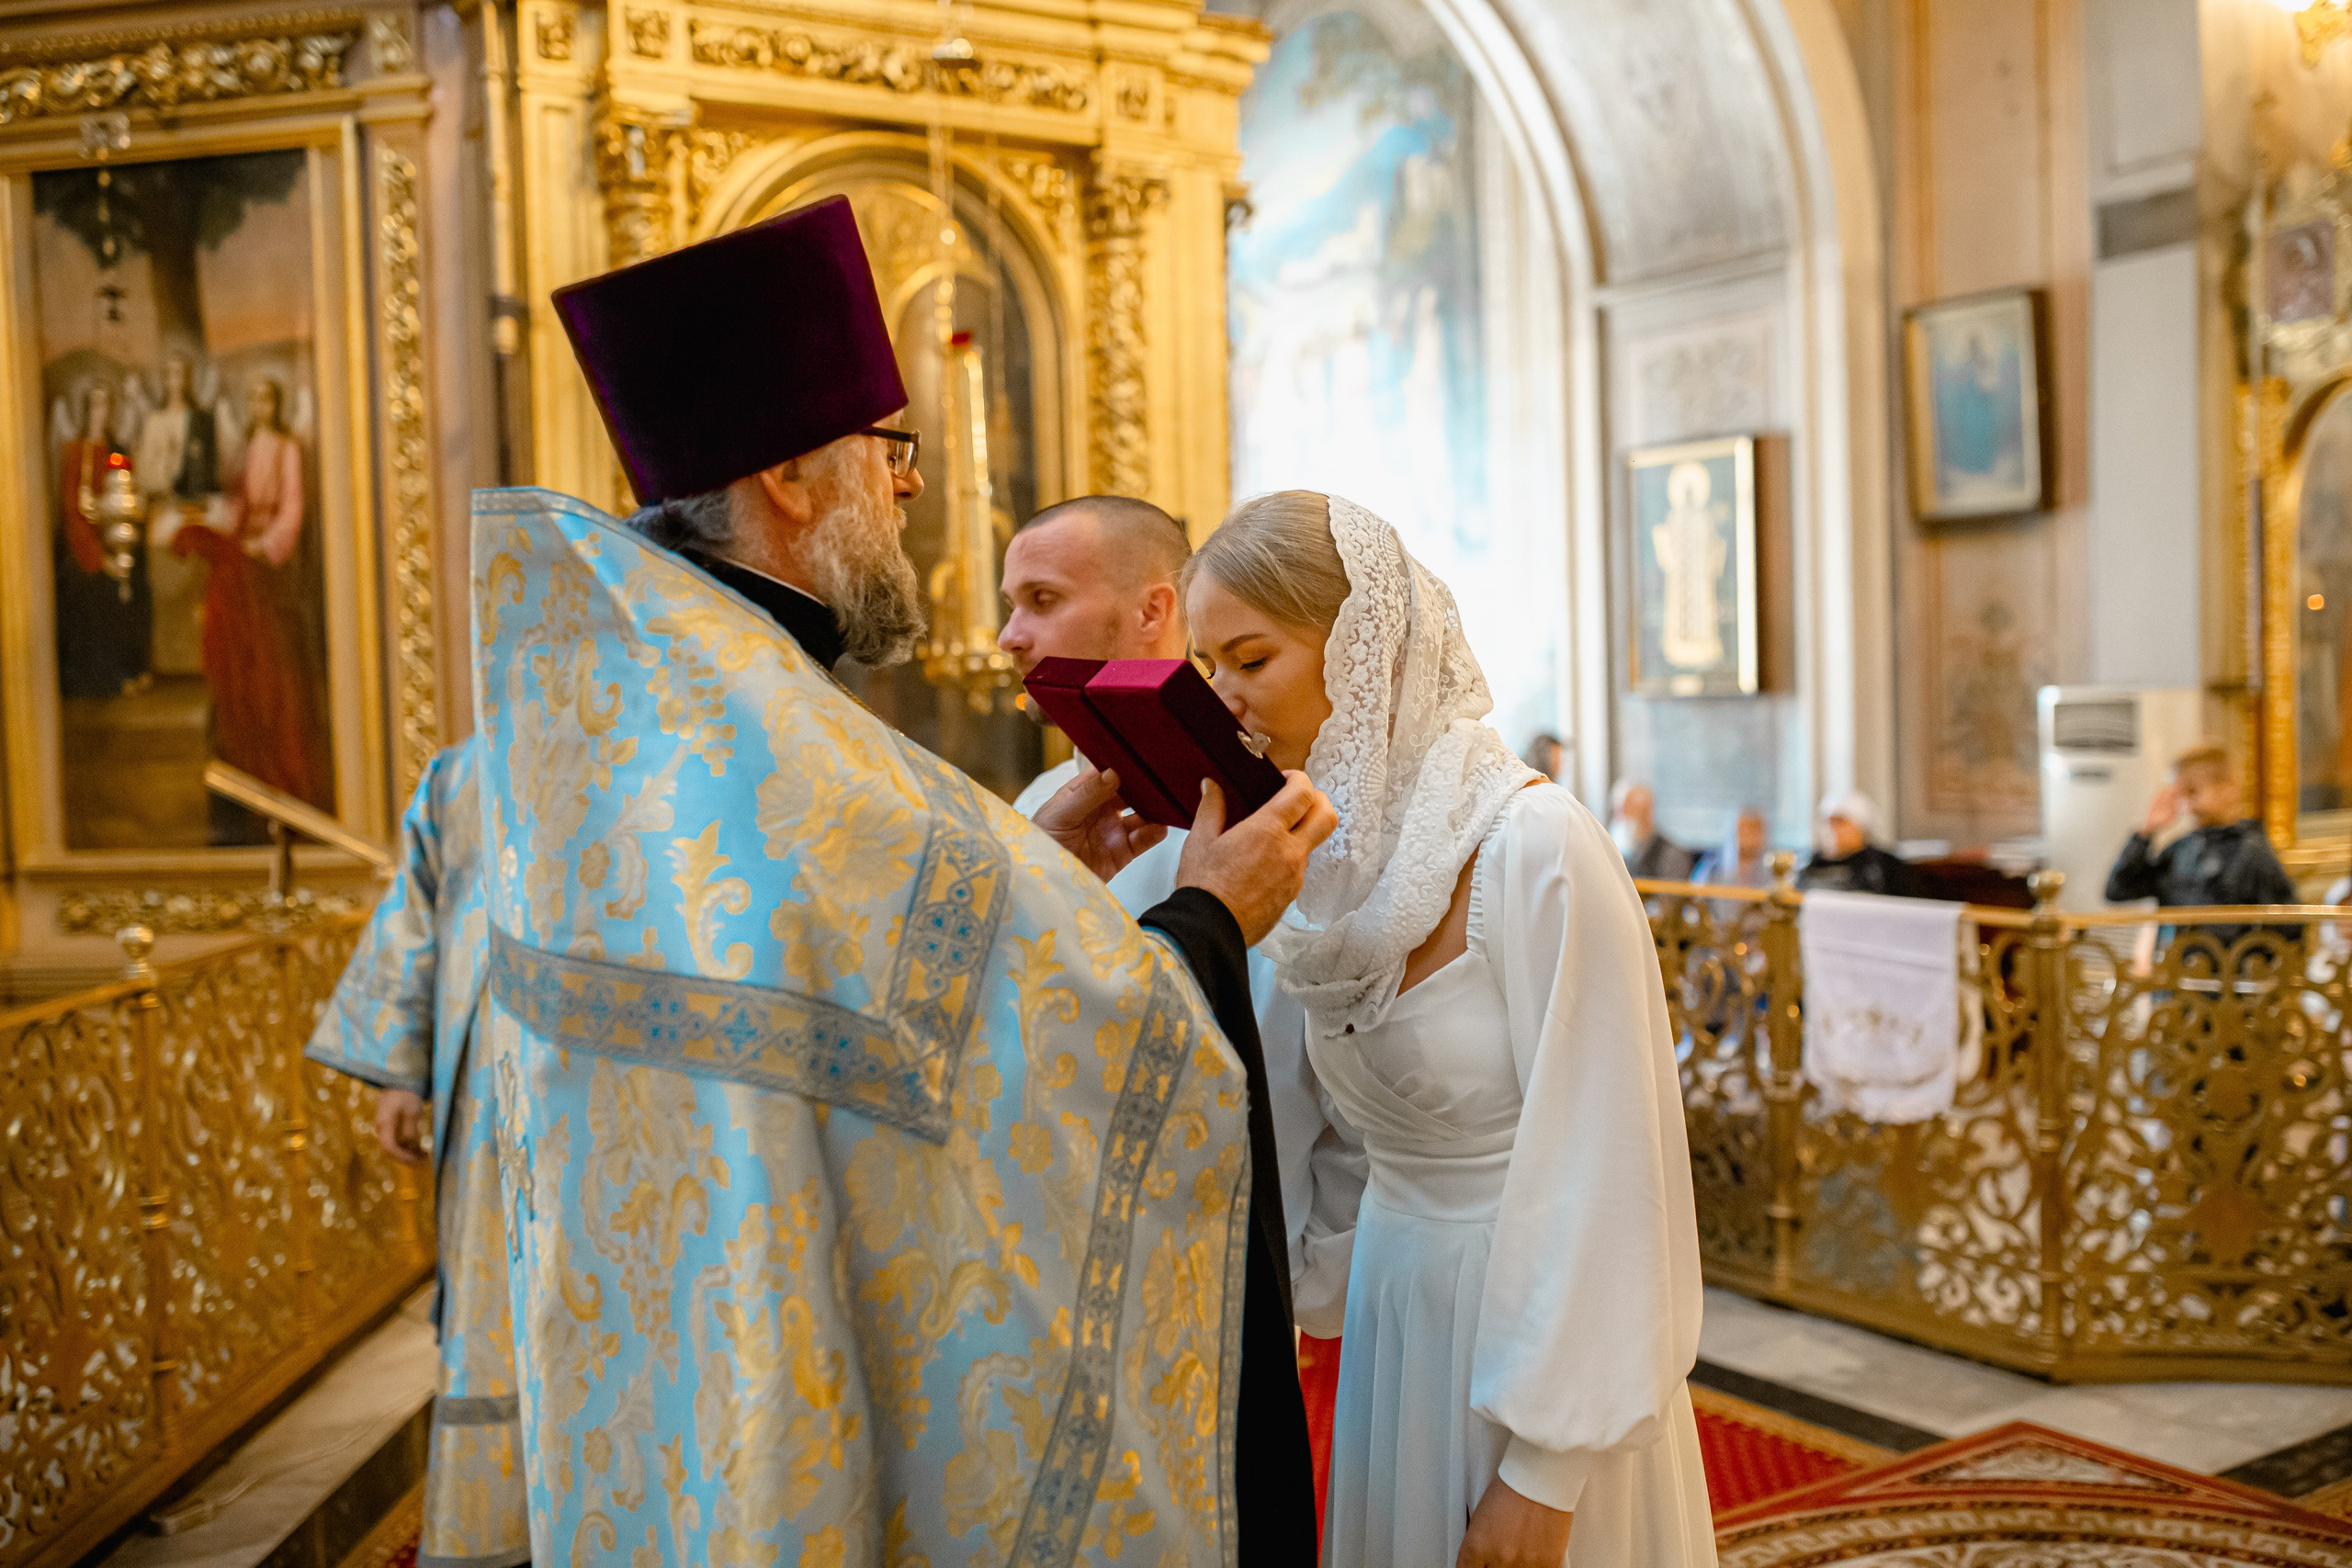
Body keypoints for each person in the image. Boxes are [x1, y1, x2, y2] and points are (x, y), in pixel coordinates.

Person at [471, 197, 1333, 1563]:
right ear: (795, 483)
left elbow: (835, 1005)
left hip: (673, 1382)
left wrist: (1024, 878)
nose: (912, 485)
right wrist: (1207, 921)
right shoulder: (771, 734)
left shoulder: (652, 702)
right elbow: (1051, 1069)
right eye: (891, 450)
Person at [1184, 491, 1715, 1568]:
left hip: (1543, 1333)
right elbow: (1320, 1136)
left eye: (1249, 658)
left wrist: (1543, 1472)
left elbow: (1615, 1167)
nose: (1225, 700)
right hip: (1400, 1306)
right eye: (1203, 669)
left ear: (1361, 654)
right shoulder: (1322, 863)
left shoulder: (1533, 844)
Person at [1000, 493, 1368, 1492]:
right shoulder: (1045, 813)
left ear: (1153, 611)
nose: (1008, 636)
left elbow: (1322, 1078)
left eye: (1041, 598)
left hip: (1258, 1286)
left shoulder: (1280, 825)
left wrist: (1314, 1277)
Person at [304, 740, 526, 1568]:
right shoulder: (468, 771)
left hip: (617, 1093)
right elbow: (417, 912)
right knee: (496, 1303)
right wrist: (399, 1069)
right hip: (490, 1098)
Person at [172, 377, 332, 830]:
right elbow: (242, 501)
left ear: (275, 402)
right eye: (254, 398)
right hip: (247, 550)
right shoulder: (249, 445)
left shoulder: (286, 447)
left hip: (270, 564)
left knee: (270, 665)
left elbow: (293, 508)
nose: (259, 404)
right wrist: (225, 525)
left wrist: (265, 544)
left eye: (265, 397)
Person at [2106, 745, 2295, 944]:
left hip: (2229, 972)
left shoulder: (2252, 852)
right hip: (2176, 970)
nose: (2187, 801)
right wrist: (2146, 831)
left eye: (2193, 790)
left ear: (2227, 787)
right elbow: (2118, 890)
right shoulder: (2179, 851)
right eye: (2181, 792)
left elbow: (2287, 926)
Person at [54, 379, 153, 699]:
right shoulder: (75, 452)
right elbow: (72, 511)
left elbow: (128, 485)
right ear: (87, 410)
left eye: (106, 405)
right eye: (95, 404)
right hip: (86, 550)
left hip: (115, 543)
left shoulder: (112, 452)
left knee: (135, 583)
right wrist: (98, 557)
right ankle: (104, 676)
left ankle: (131, 666)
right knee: (92, 588)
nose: (101, 411)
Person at [1798, 791, 1926, 898]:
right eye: (1827, 822)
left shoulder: (1888, 867)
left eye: (1840, 822)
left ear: (1862, 826)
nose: (1830, 829)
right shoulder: (1810, 867)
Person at [1610, 779, 1698, 881]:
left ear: (1646, 812)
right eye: (1619, 810)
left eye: (1629, 809)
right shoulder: (1623, 852)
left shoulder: (1672, 855)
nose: (1622, 816)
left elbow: (1669, 895)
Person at [1694, 807, 1772, 889]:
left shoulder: (1773, 873)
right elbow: (1697, 893)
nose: (1747, 836)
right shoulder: (1712, 869)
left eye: (1753, 830)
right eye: (1743, 830)